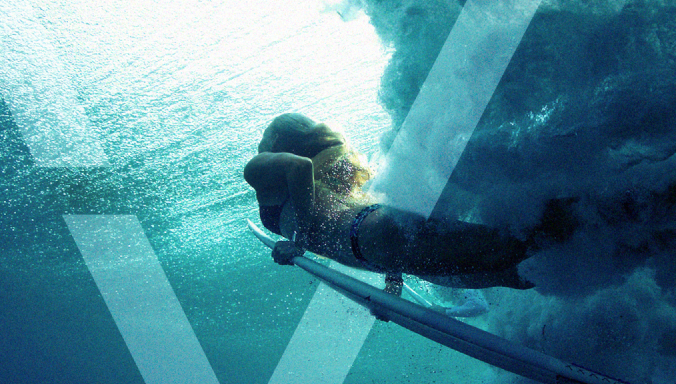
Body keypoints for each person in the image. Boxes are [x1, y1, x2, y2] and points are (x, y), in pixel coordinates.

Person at [244, 113, 571, 289]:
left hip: (372, 239)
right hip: (378, 244)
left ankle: (599, 206)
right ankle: (599, 242)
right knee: (516, 274)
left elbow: (296, 166)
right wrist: (393, 280)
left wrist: (298, 242)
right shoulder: (323, 177)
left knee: (510, 252)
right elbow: (354, 217)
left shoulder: (260, 169)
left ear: (274, 140)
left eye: (263, 138)